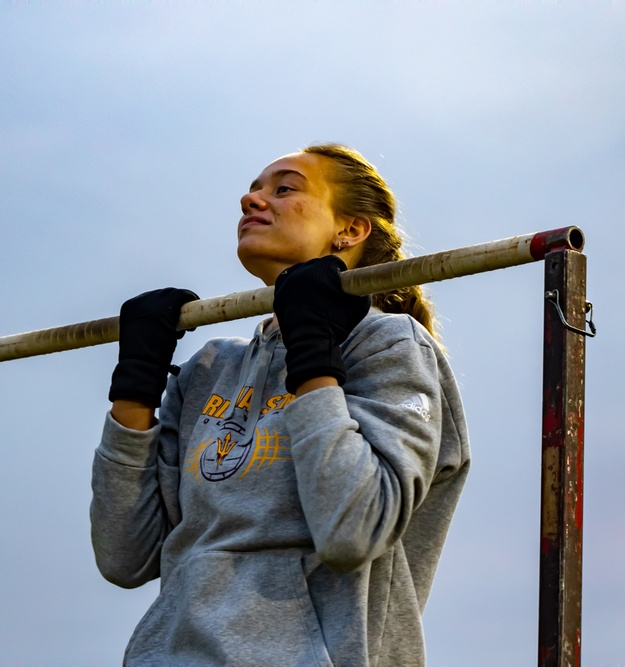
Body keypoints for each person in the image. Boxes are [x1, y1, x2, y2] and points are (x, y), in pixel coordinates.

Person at [90, 144, 470, 666]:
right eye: (253, 188)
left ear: (351, 230)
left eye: (284, 188)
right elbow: (124, 557)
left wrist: (313, 354)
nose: (252, 199)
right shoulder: (209, 369)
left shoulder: (387, 345)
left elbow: (353, 530)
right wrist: (134, 390)